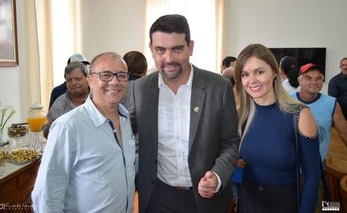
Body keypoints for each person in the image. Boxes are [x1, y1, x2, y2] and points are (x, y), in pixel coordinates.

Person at [129, 14, 240, 213]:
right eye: (160, 50)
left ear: (190, 47)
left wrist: (217, 175)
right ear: (151, 49)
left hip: (207, 198)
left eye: (177, 49)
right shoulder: (139, 89)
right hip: (157, 196)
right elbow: (125, 137)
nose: (169, 59)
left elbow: (231, 143)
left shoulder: (219, 87)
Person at [32, 52, 135, 212]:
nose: (114, 82)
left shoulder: (125, 118)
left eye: (121, 75)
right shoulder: (67, 127)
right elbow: (47, 195)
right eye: (106, 75)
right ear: (91, 80)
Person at [233, 44, 320, 213]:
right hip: (248, 201)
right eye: (245, 74)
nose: (252, 80)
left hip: (285, 203)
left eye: (259, 72)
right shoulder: (240, 115)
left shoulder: (300, 115)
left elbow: (312, 176)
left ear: (274, 72)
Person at [291, 63, 347, 163]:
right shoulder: (287, 102)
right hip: (290, 166)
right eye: (308, 78)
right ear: (299, 80)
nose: (314, 82)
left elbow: (344, 133)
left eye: (318, 78)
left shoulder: (332, 103)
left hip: (318, 166)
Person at [44, 61, 90, 138]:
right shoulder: (60, 103)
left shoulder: (99, 100)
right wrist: (51, 128)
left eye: (78, 79)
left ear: (88, 79)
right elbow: (47, 135)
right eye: (69, 80)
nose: (73, 83)